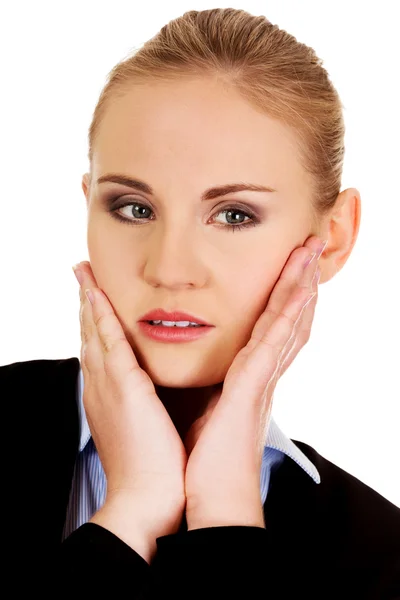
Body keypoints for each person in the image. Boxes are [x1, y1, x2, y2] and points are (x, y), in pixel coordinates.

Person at [2, 7, 399, 599]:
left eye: (234, 215)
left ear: (335, 236)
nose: (168, 269)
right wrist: (132, 509)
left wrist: (226, 511)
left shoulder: (383, 558)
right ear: (88, 205)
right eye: (134, 208)